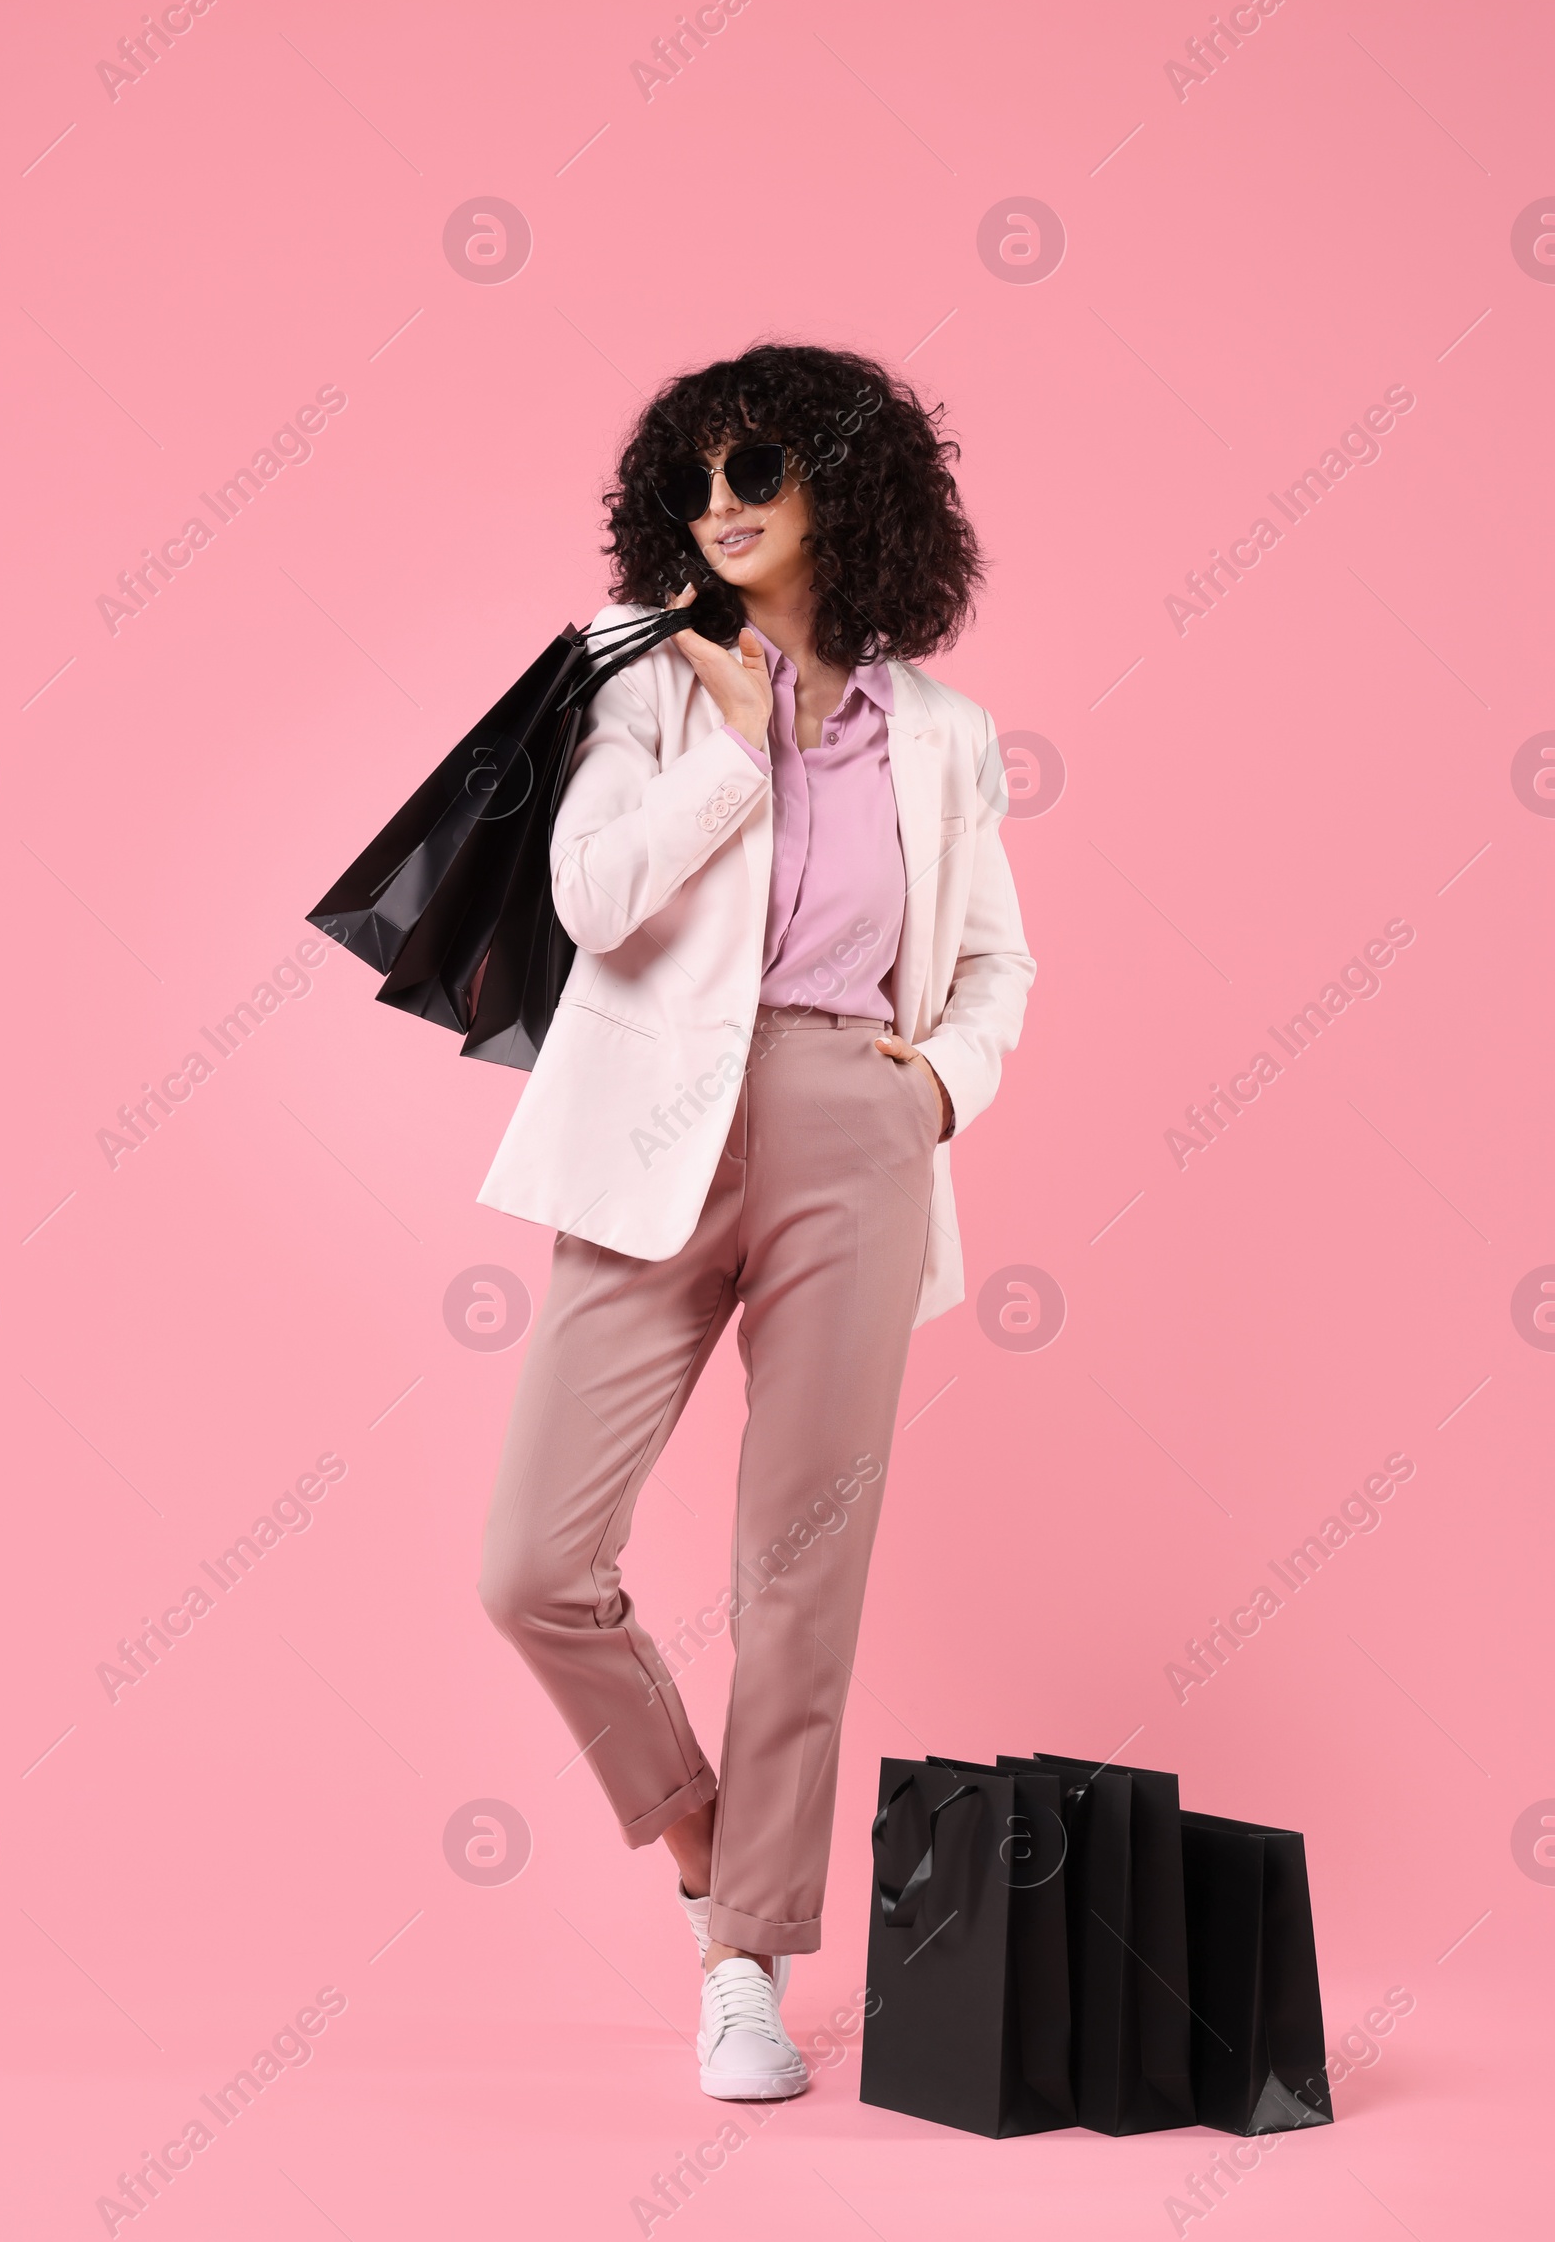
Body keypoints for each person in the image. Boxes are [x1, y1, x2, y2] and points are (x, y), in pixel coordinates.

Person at [476, 341, 1036, 2098]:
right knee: (534, 1565)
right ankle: (719, 1849)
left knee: (798, 1572)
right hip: (657, 1127)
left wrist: (936, 1085)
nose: (721, 509)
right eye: (698, 482)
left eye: (760, 476)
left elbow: (996, 962)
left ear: (841, 497)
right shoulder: (638, 681)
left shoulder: (938, 735)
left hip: (853, 1133)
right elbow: (590, 898)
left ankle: (749, 1970)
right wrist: (732, 751)